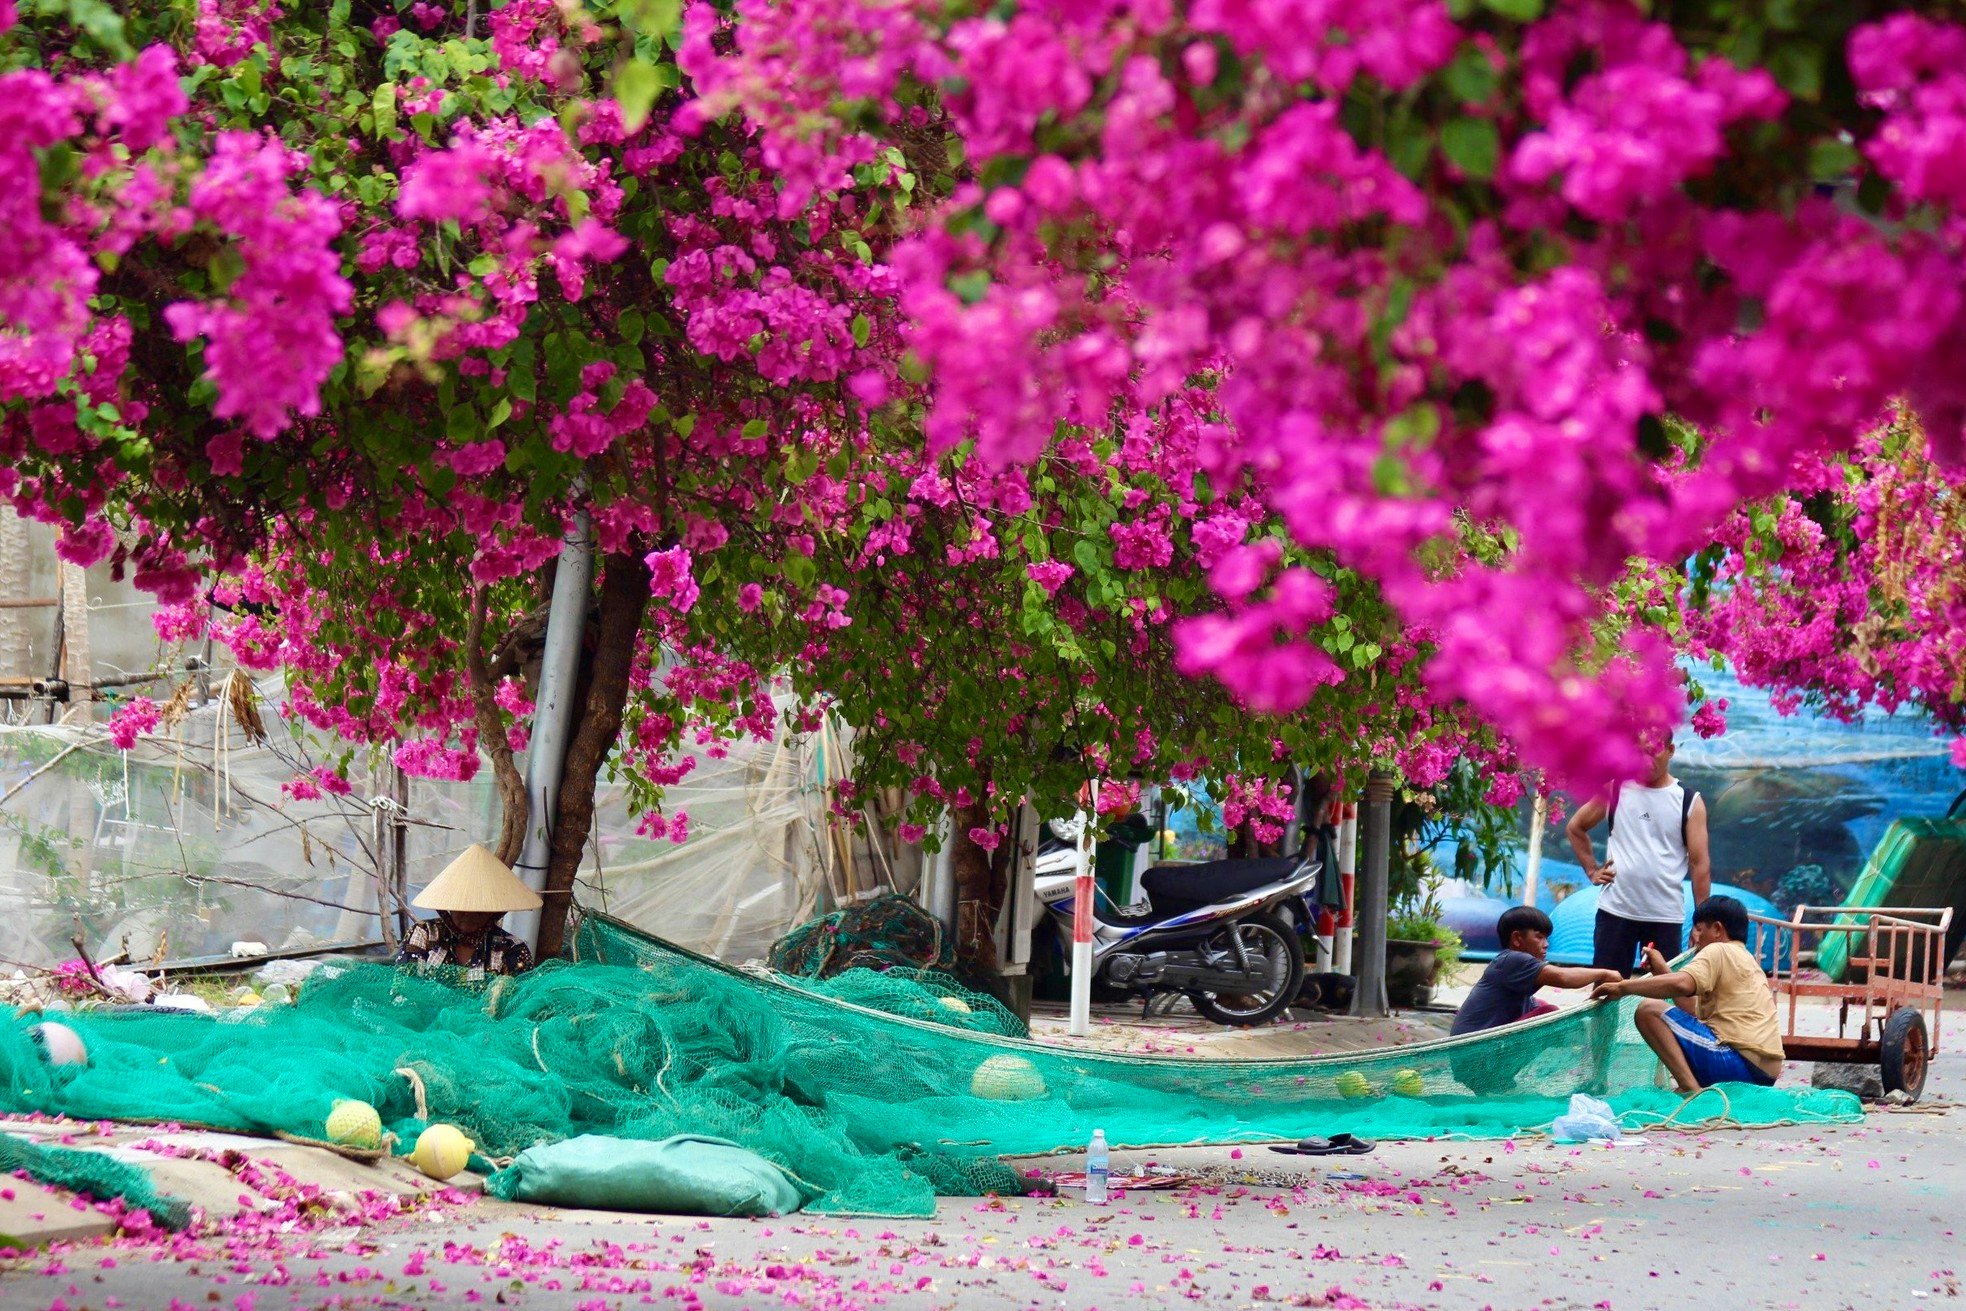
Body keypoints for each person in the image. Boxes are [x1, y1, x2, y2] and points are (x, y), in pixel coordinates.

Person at [1590, 895, 1783, 1093]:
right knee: (1662, 1012)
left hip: (1735, 1063)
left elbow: (1682, 984)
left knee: (1648, 1010)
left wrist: (1622, 987)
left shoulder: (1718, 950)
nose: (1696, 938)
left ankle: (1690, 1088)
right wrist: (1662, 970)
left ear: (1717, 929)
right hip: (1763, 1074)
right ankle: (1693, 1085)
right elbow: (1691, 1009)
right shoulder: (1746, 958)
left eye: (1700, 930)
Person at [1563, 738, 1710, 976]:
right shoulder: (1616, 789)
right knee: (1605, 990)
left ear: (1670, 750)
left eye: (1653, 751)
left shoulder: (1688, 800)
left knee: (1663, 994)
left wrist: (1702, 922)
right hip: (1615, 912)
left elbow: (1699, 864)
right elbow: (1575, 827)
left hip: (1665, 915)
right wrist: (1592, 870)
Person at [1450, 906, 1622, 1037]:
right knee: (1549, 1015)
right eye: (1539, 937)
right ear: (1517, 939)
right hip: (1472, 1054)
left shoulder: (1512, 969)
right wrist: (1605, 974)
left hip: (1477, 1052)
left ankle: (1504, 1081)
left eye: (1546, 938)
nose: (1546, 944)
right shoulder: (1513, 959)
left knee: (1540, 1006)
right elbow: (1563, 977)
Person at [396, 843, 541, 978]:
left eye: (478, 910)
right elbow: (407, 984)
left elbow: (521, 997)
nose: (469, 915)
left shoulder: (512, 948)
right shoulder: (424, 934)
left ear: (493, 911)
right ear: (449, 906)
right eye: (462, 907)